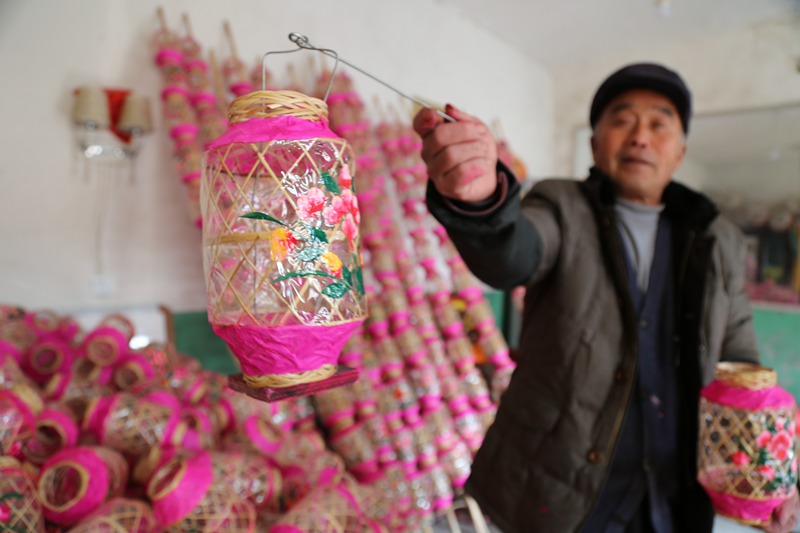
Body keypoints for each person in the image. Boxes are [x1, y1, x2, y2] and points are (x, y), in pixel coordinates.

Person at [413, 63, 800, 533]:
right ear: (596, 144)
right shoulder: (561, 205)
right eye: (621, 120)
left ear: (679, 152)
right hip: (548, 491)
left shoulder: (719, 239)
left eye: (659, 123)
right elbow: (514, 255)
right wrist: (482, 200)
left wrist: (763, 471)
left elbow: (740, 364)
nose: (640, 136)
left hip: (675, 498)